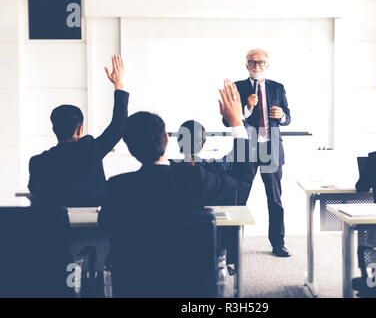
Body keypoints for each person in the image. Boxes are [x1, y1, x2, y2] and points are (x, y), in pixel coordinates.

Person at [99, 79, 254, 232]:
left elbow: (105, 225)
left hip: (133, 257)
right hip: (185, 257)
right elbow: (242, 178)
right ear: (166, 138)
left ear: (131, 149)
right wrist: (236, 122)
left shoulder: (117, 187)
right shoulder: (196, 179)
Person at [223, 48, 292, 257]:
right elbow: (227, 120)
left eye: (260, 62)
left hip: (271, 148)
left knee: (275, 199)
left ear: (267, 66)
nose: (256, 66)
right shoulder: (237, 87)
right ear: (246, 65)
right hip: (246, 149)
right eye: (252, 63)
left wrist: (281, 116)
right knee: (239, 199)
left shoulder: (278, 88)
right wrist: (247, 108)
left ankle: (278, 243)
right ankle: (231, 246)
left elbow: (288, 117)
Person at [28, 55, 128, 194]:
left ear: (54, 129)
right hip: (93, 216)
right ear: (80, 129)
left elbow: (34, 193)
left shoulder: (38, 163)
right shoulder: (92, 151)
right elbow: (119, 125)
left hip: (57, 216)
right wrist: (119, 84)